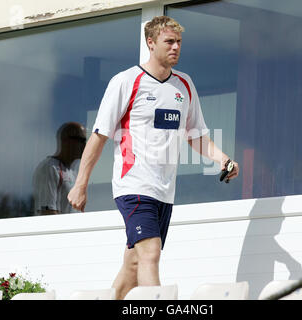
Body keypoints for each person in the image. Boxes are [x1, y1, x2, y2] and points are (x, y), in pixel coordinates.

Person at [67, 16, 239, 299]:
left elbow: (195, 135)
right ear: (150, 43)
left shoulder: (184, 84)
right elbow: (99, 136)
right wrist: (81, 183)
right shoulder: (126, 81)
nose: (175, 47)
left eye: (179, 42)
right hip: (133, 185)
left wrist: (223, 159)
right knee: (151, 254)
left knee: (133, 266)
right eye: (169, 42)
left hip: (164, 191)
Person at [33, 122, 86, 215]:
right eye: (81, 140)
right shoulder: (50, 168)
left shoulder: (72, 172)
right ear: (65, 140)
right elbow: (47, 211)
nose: (85, 145)